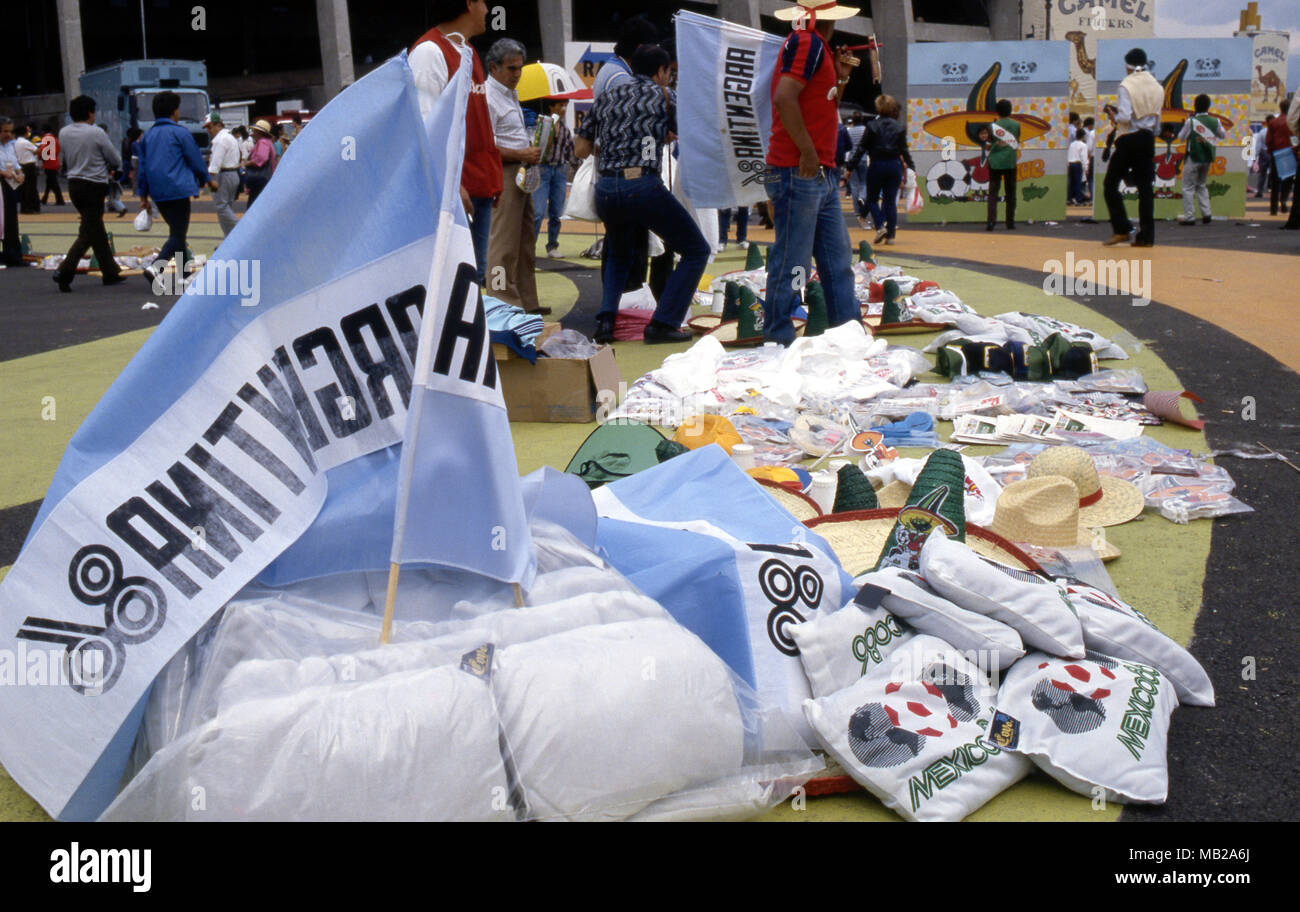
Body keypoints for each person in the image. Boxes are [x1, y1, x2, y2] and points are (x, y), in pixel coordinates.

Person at [575, 44, 708, 344]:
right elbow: (688, 134)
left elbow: (581, 148)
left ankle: (607, 321)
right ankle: (664, 322)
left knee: (619, 253)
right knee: (695, 249)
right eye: (669, 73)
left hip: (608, 189)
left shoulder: (607, 96)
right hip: (643, 185)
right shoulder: (664, 97)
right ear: (660, 71)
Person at [763, 0, 860, 347]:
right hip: (801, 167)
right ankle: (778, 337)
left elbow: (819, 101)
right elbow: (784, 97)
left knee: (830, 260)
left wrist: (841, 76)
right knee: (796, 261)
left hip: (813, 169)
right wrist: (806, 150)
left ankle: (846, 332)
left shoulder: (809, 45)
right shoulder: (807, 43)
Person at [410, 0, 502, 288]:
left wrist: (491, 178)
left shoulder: (470, 52)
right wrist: (452, 184)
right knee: (453, 281)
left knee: (474, 277)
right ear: (469, 4)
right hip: (454, 193)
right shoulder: (429, 52)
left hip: (478, 186)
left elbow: (478, 125)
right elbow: (424, 127)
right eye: (484, 3)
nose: (488, 10)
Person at [485, 38, 547, 315]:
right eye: (512, 69)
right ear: (493, 67)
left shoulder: (508, 94)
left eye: (520, 68)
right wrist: (521, 152)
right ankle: (501, 301)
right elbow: (485, 147)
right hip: (504, 173)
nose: (517, 74)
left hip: (521, 171)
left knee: (524, 242)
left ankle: (525, 299)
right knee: (503, 243)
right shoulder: (487, 97)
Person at [136, 90, 218, 287]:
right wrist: (207, 179)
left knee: (176, 231)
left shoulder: (147, 137)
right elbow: (195, 159)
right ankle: (155, 268)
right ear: (174, 112)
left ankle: (184, 273)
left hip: (157, 191)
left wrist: (143, 195)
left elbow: (142, 168)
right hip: (178, 189)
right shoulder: (180, 132)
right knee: (178, 234)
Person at [51, 96, 125, 290]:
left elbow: (63, 159)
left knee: (95, 228)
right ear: (91, 112)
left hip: (74, 184)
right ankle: (65, 271)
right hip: (94, 184)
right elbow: (114, 158)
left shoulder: (64, 132)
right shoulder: (96, 132)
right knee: (88, 232)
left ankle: (110, 272)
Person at [1102, 47, 1162, 248]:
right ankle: (1146, 236)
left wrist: (1114, 117)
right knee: (1146, 189)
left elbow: (1125, 117)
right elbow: (1157, 125)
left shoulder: (1126, 85)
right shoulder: (1157, 86)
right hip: (1147, 139)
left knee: (1110, 184)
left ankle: (1122, 229)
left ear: (1127, 65)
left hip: (1129, 139)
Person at [846, 94, 914, 246]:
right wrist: (911, 166)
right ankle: (891, 236)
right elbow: (904, 149)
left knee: (872, 198)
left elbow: (861, 148)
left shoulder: (871, 126)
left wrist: (850, 167)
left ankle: (879, 226)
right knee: (890, 201)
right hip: (894, 165)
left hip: (877, 164)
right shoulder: (900, 127)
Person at [532, 98, 575, 257]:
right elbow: (536, 145)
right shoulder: (541, 125)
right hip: (542, 170)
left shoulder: (565, 130)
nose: (563, 109)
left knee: (556, 212)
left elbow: (571, 152)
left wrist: (580, 164)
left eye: (565, 106)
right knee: (537, 211)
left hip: (559, 170)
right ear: (551, 107)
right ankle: (530, 246)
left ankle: (552, 245)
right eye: (560, 105)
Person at [1176, 94, 1226, 226]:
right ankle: (1206, 214)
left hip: (1193, 157)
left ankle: (1189, 216)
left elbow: (1181, 138)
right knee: (1201, 185)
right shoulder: (1216, 121)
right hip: (1207, 157)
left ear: (1195, 105)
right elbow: (1222, 135)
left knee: (1187, 187)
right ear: (1208, 106)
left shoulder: (1191, 121)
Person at [985, 98, 1020, 230]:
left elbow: (988, 145)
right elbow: (1016, 143)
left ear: (997, 111)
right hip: (1010, 162)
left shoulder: (992, 126)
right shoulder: (1016, 125)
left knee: (993, 193)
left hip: (995, 163)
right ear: (1010, 111)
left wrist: (994, 145)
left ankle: (991, 222)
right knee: (1011, 193)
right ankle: (1010, 222)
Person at [204, 112, 242, 236]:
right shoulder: (230, 137)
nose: (209, 131)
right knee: (227, 207)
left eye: (210, 127)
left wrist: (209, 178)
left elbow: (215, 164)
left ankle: (240, 230)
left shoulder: (220, 140)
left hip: (224, 175)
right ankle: (230, 239)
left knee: (221, 207)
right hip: (234, 174)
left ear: (217, 125)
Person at [0, 117, 28, 268]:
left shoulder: (11, 145)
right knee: (1, 221)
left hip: (10, 185)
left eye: (10, 131)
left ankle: (13, 256)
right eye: (5, 131)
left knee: (11, 220)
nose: (9, 135)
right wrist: (4, 173)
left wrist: (20, 173)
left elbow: (16, 164)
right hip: (2, 184)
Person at [1264, 98, 1294, 216]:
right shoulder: (1292, 122)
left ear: (1280, 108)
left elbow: (1269, 140)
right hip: (1289, 153)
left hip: (1276, 154)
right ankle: (1284, 200)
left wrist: (1271, 151)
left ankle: (1273, 208)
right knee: (1288, 180)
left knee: (1275, 181)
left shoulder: (1273, 123)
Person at [845, 113, 871, 228]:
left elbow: (848, 145)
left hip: (851, 159)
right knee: (864, 182)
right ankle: (863, 196)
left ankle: (857, 210)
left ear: (853, 121)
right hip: (864, 158)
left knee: (854, 185)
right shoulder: (866, 130)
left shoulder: (849, 131)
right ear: (862, 119)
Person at [244, 120, 278, 206]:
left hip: (260, 180)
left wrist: (248, 163)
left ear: (259, 132)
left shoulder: (263, 142)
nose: (253, 133)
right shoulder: (268, 142)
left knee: (253, 205)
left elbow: (261, 158)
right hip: (265, 179)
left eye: (255, 131)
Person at [16, 125, 40, 214]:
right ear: (25, 133)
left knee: (23, 188)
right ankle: (30, 207)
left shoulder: (15, 142)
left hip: (20, 165)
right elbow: (36, 151)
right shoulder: (25, 142)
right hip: (29, 165)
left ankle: (24, 207)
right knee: (31, 188)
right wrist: (42, 146)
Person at [39, 122, 65, 206]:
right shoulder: (54, 138)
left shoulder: (46, 138)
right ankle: (45, 198)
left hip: (49, 163)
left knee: (53, 182)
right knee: (50, 182)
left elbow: (44, 152)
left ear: (43, 131)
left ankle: (59, 199)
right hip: (54, 161)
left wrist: (40, 157)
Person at [1067, 127, 1088, 205]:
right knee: (1078, 182)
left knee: (1071, 182)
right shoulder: (1083, 145)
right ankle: (1078, 199)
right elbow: (1083, 157)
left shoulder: (1072, 144)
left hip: (1070, 163)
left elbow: (1069, 154)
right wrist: (1086, 167)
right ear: (1083, 136)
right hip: (1078, 164)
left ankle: (1069, 198)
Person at [1082, 116, 1096, 201]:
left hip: (1093, 157)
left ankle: (1092, 198)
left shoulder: (1092, 133)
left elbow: (1089, 148)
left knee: (1091, 179)